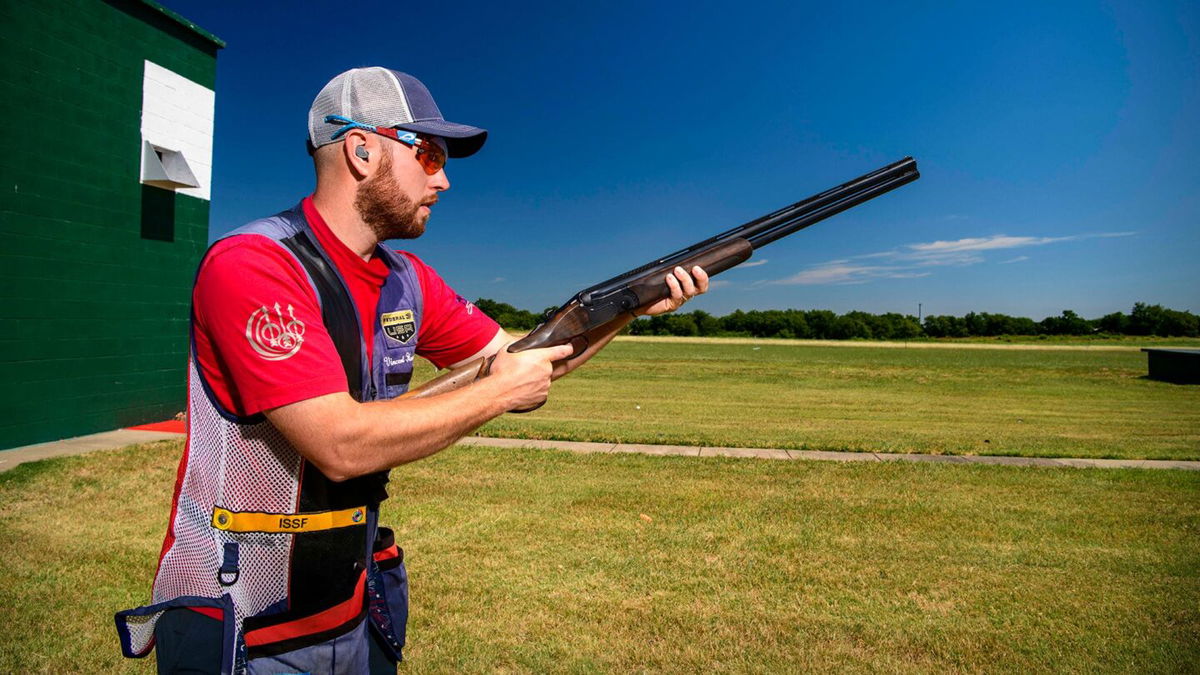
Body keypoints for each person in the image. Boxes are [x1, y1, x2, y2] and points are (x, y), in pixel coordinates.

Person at [116, 67, 708, 674]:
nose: (445, 180)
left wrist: (628, 310)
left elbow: (527, 360)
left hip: (349, 605)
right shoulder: (254, 265)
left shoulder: (408, 280)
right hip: (241, 617)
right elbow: (339, 445)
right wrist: (498, 393)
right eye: (427, 155)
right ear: (362, 148)